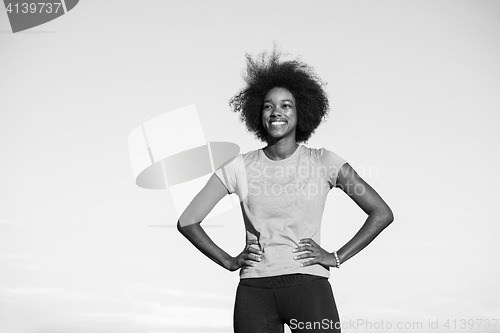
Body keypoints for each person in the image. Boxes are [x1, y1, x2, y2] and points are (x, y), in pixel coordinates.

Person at [177, 48, 394, 333]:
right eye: (268, 106)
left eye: (286, 105)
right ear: (259, 112)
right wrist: (229, 261)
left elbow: (381, 213)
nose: (276, 112)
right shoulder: (238, 168)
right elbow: (187, 221)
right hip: (255, 292)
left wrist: (336, 257)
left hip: (309, 288)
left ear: (300, 111)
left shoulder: (323, 162)